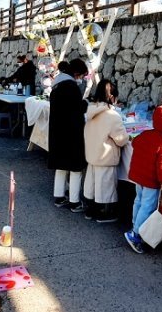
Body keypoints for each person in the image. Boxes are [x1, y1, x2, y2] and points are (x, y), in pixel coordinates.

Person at [124, 103, 162, 254]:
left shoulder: (146, 133)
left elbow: (135, 143)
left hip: (138, 176)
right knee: (148, 206)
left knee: (138, 201)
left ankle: (134, 226)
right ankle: (136, 234)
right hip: (151, 180)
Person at [83, 79, 129, 223]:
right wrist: (128, 136)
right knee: (105, 187)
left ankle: (90, 210)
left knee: (91, 185)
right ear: (112, 97)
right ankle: (103, 213)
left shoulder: (91, 110)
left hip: (92, 155)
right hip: (106, 156)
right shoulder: (112, 116)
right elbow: (121, 139)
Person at [49, 58, 89, 212]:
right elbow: (77, 109)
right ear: (77, 73)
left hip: (57, 132)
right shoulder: (71, 87)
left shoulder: (57, 84)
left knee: (60, 167)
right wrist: (86, 103)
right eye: (82, 75)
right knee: (75, 169)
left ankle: (59, 197)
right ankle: (74, 201)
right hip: (72, 133)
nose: (81, 79)